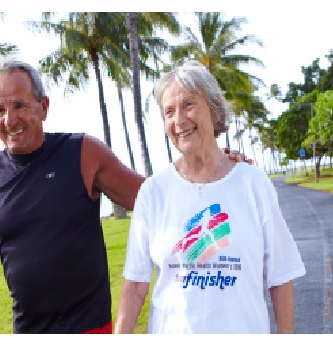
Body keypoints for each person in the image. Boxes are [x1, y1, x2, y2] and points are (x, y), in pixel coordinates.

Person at [0, 57, 249, 334]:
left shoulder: (82, 153)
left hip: (90, 329)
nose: (10, 119)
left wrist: (215, 169)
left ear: (43, 107)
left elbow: (158, 199)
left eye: (19, 105)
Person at [114, 60, 306, 334]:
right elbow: (134, 287)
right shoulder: (153, 192)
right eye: (169, 112)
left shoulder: (253, 183)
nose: (179, 120)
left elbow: (280, 277)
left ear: (214, 109)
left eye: (188, 105)